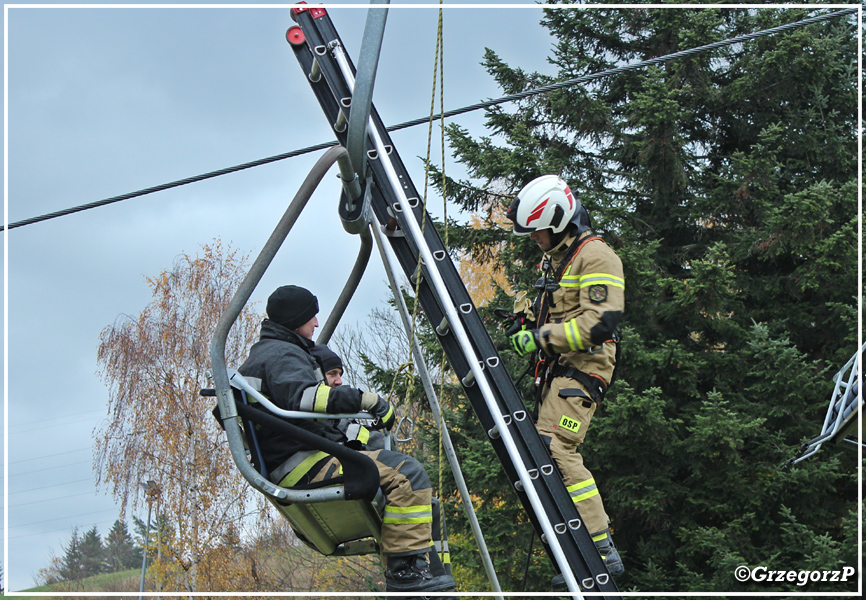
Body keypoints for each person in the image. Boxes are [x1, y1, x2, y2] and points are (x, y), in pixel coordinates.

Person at [239, 285, 457, 596]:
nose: (316, 322)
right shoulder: (281, 355)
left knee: (421, 497)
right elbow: (306, 398)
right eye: (311, 316)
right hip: (306, 463)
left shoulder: (267, 355)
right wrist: (365, 400)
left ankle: (428, 573)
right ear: (295, 319)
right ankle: (405, 574)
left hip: (296, 460)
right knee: (408, 474)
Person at [505, 175, 625, 577]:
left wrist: (540, 338)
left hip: (586, 369)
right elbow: (559, 309)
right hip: (563, 368)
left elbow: (601, 323)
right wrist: (526, 322)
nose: (534, 238)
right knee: (542, 449)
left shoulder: (596, 256)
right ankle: (573, 544)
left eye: (537, 230)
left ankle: (599, 547)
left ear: (557, 220)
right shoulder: (561, 257)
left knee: (558, 447)